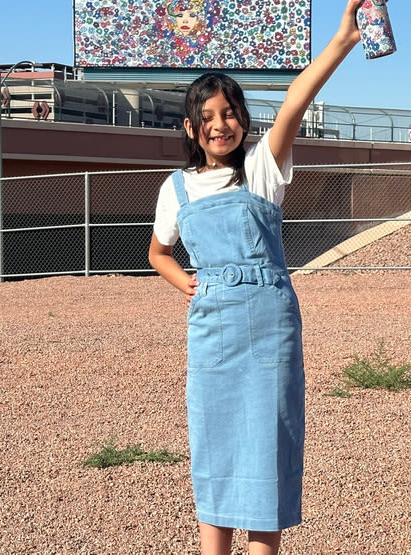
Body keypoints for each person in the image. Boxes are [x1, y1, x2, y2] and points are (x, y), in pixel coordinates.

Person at [148, 1, 368, 553]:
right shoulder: (174, 189)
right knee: (215, 449)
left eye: (230, 113)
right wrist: (189, 284)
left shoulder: (263, 169)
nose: (220, 125)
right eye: (208, 117)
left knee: (268, 451)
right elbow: (158, 252)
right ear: (190, 127)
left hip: (271, 328)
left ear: (243, 119)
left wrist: (342, 41)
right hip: (212, 334)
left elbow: (296, 100)